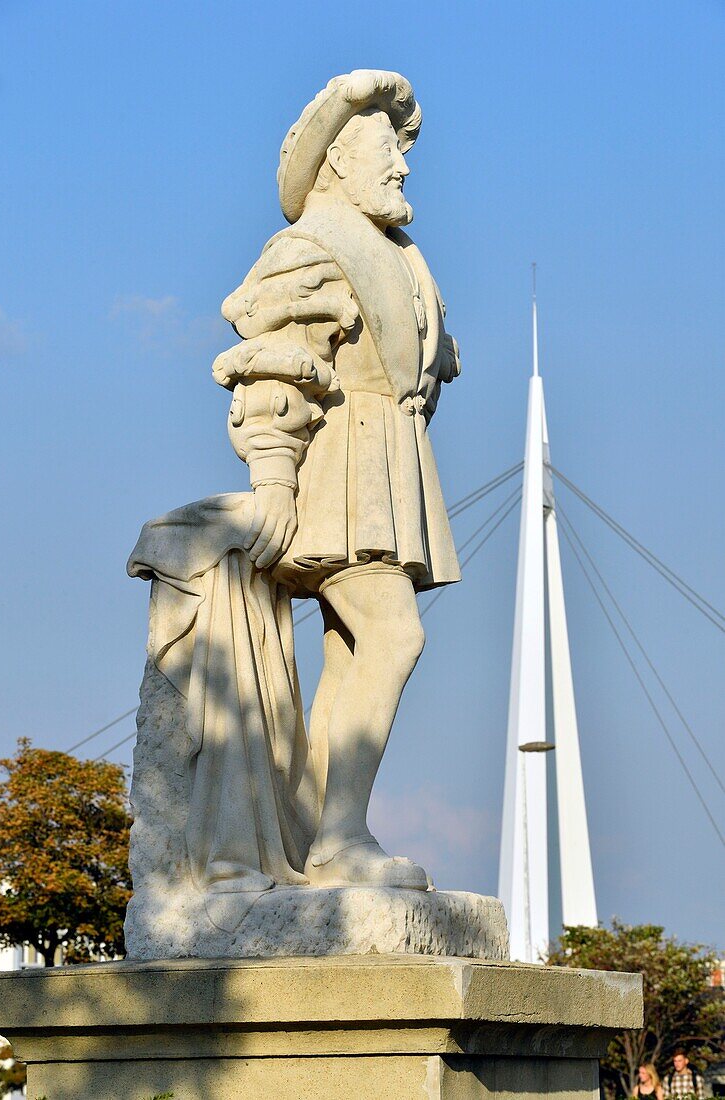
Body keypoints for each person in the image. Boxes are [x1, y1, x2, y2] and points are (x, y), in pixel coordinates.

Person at [211, 70, 461, 891]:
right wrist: (274, 480)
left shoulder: (394, 254)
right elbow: (270, 367)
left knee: (354, 647)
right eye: (386, 151)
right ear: (336, 165)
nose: (401, 167)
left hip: (384, 461)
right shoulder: (312, 249)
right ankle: (339, 838)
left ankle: (324, 835)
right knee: (392, 635)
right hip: (339, 465)